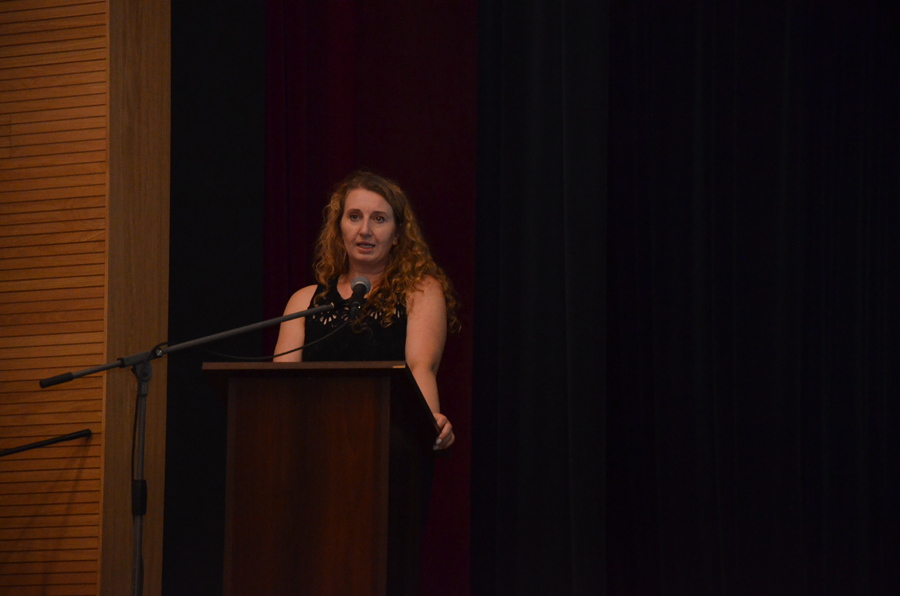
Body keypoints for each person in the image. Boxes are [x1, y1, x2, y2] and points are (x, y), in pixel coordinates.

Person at [273, 169, 459, 449]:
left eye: (379, 219)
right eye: (354, 216)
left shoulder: (420, 292)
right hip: (311, 445)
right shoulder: (304, 302)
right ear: (339, 228)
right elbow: (279, 389)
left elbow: (421, 368)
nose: (365, 230)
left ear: (397, 234)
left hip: (387, 445)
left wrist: (429, 424)